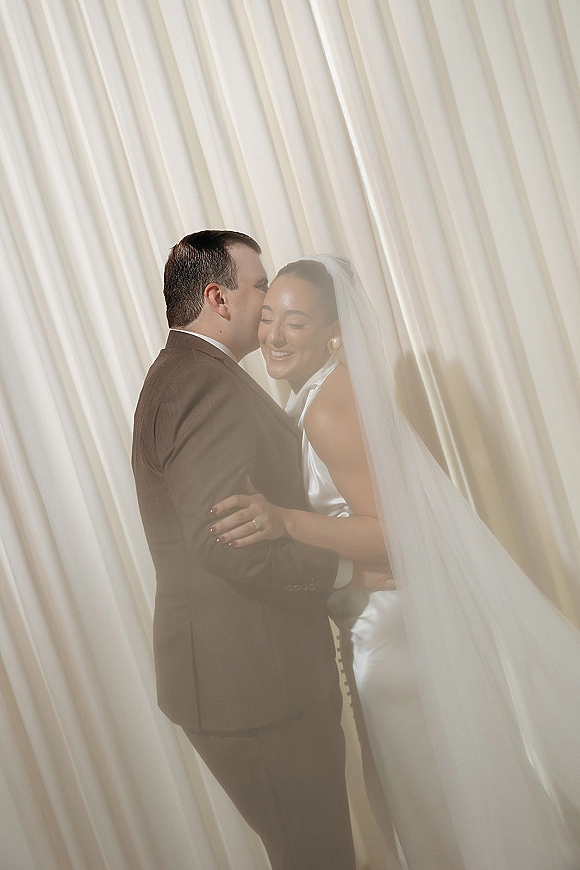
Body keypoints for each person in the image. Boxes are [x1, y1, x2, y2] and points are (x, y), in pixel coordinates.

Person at [209, 254, 580, 870]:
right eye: (268, 316)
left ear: (332, 330)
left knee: (430, 800)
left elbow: (390, 533)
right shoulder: (319, 392)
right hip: (371, 619)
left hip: (390, 631)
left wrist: (285, 521)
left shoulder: (330, 402)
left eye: (295, 323)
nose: (273, 336)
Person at [131, 232, 359, 870]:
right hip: (257, 685)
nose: (265, 302)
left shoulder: (182, 375)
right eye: (257, 286)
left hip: (238, 678)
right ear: (216, 298)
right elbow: (229, 544)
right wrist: (345, 568)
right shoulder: (200, 386)